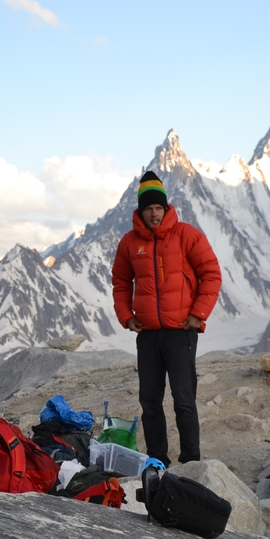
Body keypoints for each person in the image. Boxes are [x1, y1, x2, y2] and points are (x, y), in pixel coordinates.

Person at [111, 170, 221, 466]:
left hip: (180, 330)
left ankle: (191, 461)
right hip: (147, 333)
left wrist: (198, 315)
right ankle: (158, 460)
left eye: (159, 208)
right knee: (150, 401)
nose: (154, 214)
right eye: (148, 208)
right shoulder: (129, 243)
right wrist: (126, 315)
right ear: (140, 210)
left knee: (184, 400)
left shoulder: (187, 235)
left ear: (166, 207)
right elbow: (120, 281)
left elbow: (211, 273)